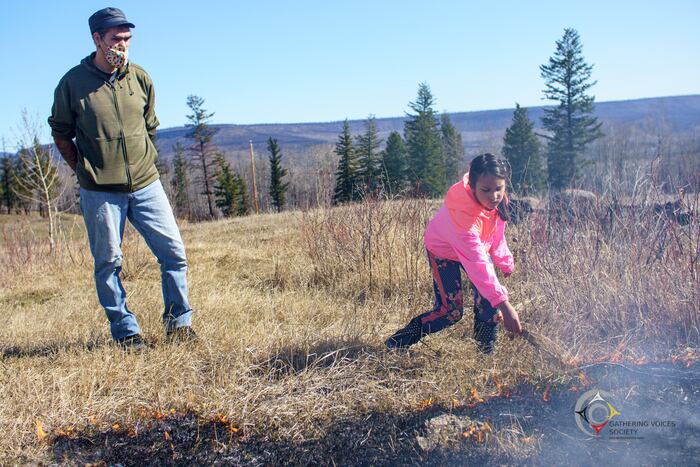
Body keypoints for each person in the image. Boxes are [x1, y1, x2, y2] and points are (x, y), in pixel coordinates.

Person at [48, 7, 196, 349]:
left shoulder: (140, 77)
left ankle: (179, 325)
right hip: (99, 191)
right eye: (116, 39)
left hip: (146, 184)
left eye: (127, 39)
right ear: (97, 39)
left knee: (174, 252)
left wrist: (146, 160)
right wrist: (82, 169)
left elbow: (150, 125)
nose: (123, 46)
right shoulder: (72, 83)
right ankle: (126, 332)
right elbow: (60, 132)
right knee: (108, 262)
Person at [385, 154, 522, 353]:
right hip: (444, 251)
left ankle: (485, 353)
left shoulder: (497, 200)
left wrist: (504, 261)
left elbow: (496, 234)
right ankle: (396, 343)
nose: (494, 196)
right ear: (473, 187)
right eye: (486, 190)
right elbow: (478, 265)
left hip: (476, 248)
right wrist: (505, 305)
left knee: (488, 300)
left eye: (498, 189)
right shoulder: (463, 217)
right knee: (450, 312)